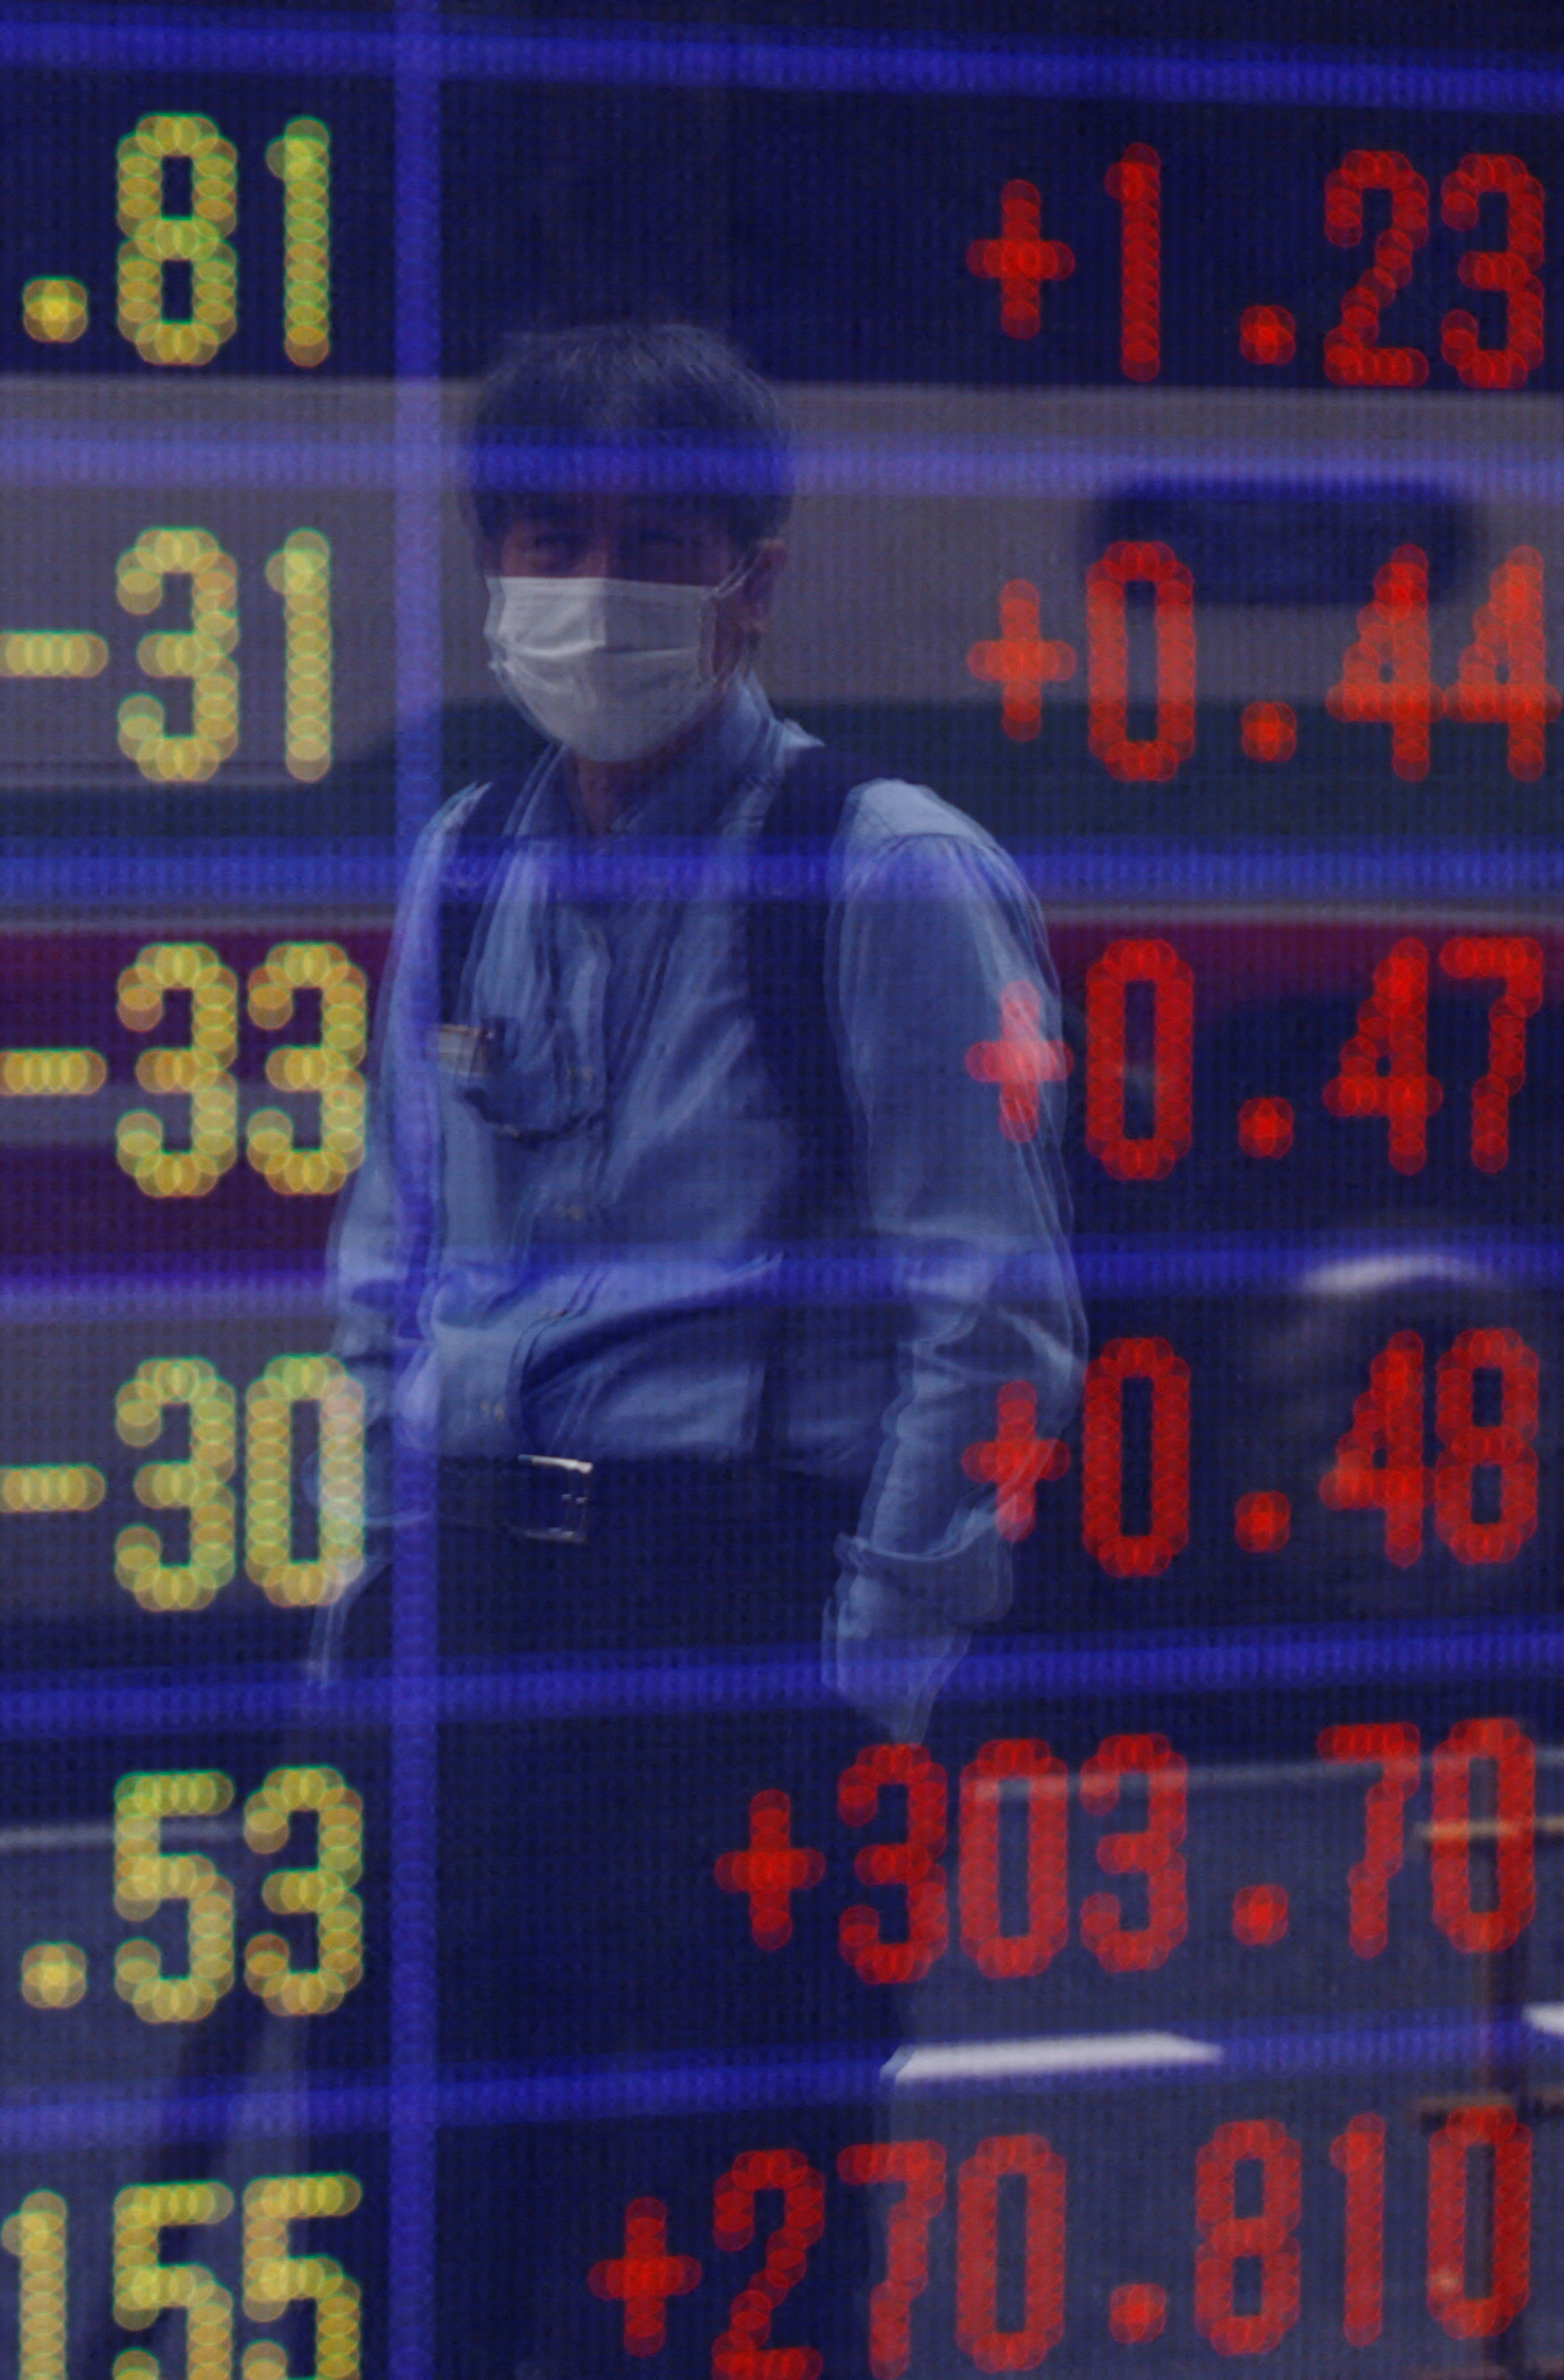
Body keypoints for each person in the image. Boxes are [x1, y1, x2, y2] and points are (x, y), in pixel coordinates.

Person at [319, 323, 1084, 2375]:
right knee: (422, 2230)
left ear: (755, 578)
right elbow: (386, 1251)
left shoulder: (884, 871)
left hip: (726, 1627)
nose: (589, 588)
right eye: (545, 534)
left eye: (651, 543)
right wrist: (365, 1598)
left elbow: (999, 1323)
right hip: (469, 1620)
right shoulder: (462, 861)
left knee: (711, 2248)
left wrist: (859, 1690)